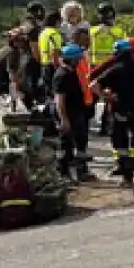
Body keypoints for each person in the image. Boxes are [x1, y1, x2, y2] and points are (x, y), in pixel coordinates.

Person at [91, 37, 134, 184]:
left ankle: (127, 177)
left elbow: (93, 85)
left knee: (121, 142)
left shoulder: (115, 69)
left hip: (120, 109)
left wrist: (105, 96)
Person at [52, 43, 93, 180]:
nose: (80, 61)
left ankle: (81, 171)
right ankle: (63, 173)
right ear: (73, 59)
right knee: (66, 144)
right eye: (78, 59)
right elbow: (59, 99)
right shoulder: (62, 75)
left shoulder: (70, 72)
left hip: (76, 112)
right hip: (69, 114)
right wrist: (64, 119)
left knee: (80, 141)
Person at [88, 2, 128, 131]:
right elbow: (125, 50)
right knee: (110, 97)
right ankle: (107, 124)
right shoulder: (119, 32)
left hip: (94, 66)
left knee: (92, 95)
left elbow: (85, 49)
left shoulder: (92, 31)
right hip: (112, 67)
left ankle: (87, 120)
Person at [0, 28, 26, 141]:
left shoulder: (6, 50)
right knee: (3, 113)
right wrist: (17, 91)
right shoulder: (13, 52)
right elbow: (12, 74)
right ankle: (2, 135)